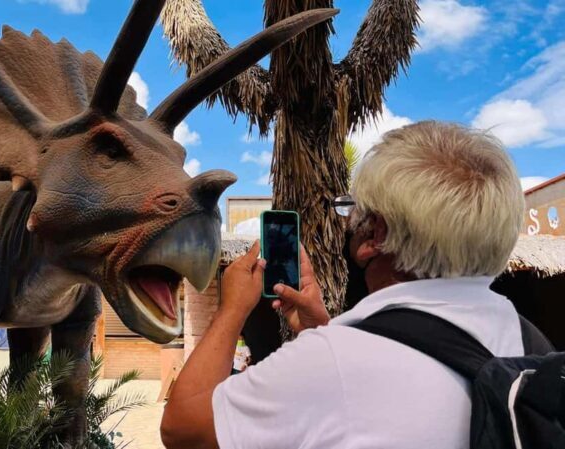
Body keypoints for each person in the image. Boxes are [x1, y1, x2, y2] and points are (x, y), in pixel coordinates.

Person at [160, 121, 536, 448]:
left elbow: (183, 430)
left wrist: (232, 309)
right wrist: (322, 329)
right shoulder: (530, 342)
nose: (349, 220)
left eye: (353, 207)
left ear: (376, 234)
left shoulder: (334, 362)